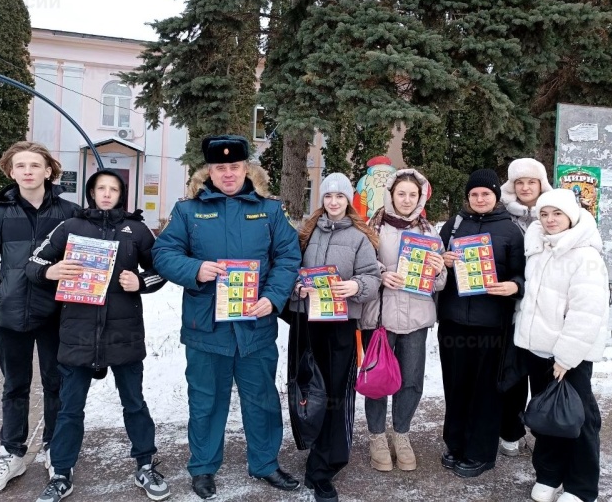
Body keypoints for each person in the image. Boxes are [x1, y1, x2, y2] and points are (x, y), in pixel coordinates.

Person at [151, 135, 302, 500]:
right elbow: (163, 252)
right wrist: (195, 268)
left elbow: (288, 256)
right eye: (221, 168)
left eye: (235, 167)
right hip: (207, 328)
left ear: (246, 169)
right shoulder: (188, 211)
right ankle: (203, 467)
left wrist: (273, 297)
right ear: (209, 171)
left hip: (255, 326)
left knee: (263, 399)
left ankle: (265, 464)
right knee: (206, 401)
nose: (228, 174)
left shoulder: (269, 211)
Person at [27, 169, 169, 502]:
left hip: (124, 333)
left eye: (114, 189)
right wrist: (52, 270)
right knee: (70, 408)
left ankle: (145, 464)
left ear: (122, 194)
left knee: (134, 403)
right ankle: (62, 472)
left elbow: (163, 266)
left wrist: (141, 282)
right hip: (78, 334)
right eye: (100, 188)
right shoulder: (71, 227)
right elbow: (33, 263)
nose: (107, 194)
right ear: (92, 192)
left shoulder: (135, 230)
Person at [0, 142, 78, 496]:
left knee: (56, 384)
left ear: (49, 171)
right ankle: (11, 453)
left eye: (35, 165)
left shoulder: (69, 213)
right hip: (9, 317)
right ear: (11, 172)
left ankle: (54, 451)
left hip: (55, 315)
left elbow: (86, 259)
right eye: (20, 166)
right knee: (14, 386)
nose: (28, 171)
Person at [289, 172, 381, 502]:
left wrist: (356, 286)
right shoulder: (306, 232)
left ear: (348, 200)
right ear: (323, 200)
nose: (333, 202)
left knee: (335, 394)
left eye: (339, 197)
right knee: (310, 388)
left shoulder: (359, 236)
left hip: (341, 325)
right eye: (328, 196)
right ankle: (313, 444)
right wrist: (297, 288)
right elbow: (293, 271)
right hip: (309, 322)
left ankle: (326, 464)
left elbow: (372, 278)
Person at [514, 188, 608, 502]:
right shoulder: (539, 248)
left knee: (578, 420)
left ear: (571, 216)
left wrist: (566, 356)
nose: (550, 220)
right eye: (544, 214)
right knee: (548, 417)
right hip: (538, 351)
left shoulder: (585, 255)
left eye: (557, 213)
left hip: (570, 355)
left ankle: (581, 487)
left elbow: (587, 311)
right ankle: (549, 475)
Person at [437, 169, 525, 478]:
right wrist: (443, 260)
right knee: (456, 385)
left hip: (492, 323)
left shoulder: (512, 231)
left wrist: (514, 286)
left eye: (485, 193)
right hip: (453, 320)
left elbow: (522, 273)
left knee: (486, 391)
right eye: (474, 194)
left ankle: (480, 452)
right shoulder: (454, 225)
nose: (480, 198)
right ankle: (455, 444)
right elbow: (434, 265)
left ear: (496, 196)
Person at [359, 169, 446, 472]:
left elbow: (441, 281)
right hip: (380, 316)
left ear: (420, 197)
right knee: (378, 379)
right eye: (401, 194)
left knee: (410, 380)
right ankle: (376, 436)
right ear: (391, 195)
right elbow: (362, 265)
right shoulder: (373, 227)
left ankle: (402, 434)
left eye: (413, 194)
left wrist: (436, 271)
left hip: (417, 317)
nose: (407, 200)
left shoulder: (428, 232)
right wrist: (382, 273)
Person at [497, 158, 553, 457]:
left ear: (541, 183)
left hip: (545, 310)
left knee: (543, 376)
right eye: (519, 182)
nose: (525, 187)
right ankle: (511, 432)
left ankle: (545, 432)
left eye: (531, 181)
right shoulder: (502, 214)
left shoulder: (554, 213)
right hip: (510, 307)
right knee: (512, 374)